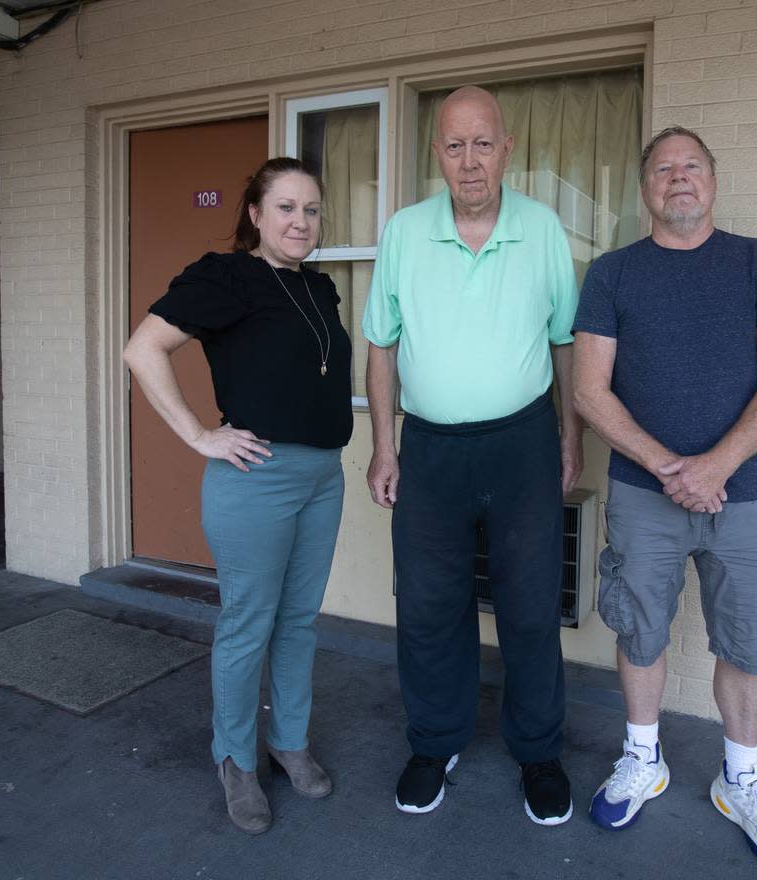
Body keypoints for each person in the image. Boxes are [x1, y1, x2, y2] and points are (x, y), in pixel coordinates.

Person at [572, 126, 757, 870]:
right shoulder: (612, 274)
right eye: (664, 168)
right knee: (639, 628)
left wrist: (715, 467)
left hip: (745, 497)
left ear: (712, 182)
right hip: (645, 494)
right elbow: (588, 390)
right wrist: (671, 466)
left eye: (692, 167)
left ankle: (741, 779)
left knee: (748, 636)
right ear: (645, 189)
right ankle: (644, 759)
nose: (679, 178)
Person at [361, 86, 582, 825]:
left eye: (482, 143)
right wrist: (383, 447)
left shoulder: (543, 229)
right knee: (428, 606)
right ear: (437, 156)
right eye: (454, 146)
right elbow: (382, 346)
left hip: (522, 444)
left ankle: (539, 752)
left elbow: (564, 343)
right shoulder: (403, 232)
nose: (469, 161)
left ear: (508, 149)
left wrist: (569, 440)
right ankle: (435, 741)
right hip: (429, 449)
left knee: (528, 607)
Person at [123, 157, 353, 835]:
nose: (300, 221)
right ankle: (235, 758)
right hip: (257, 476)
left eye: (311, 210)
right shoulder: (228, 277)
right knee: (249, 622)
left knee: (298, 620)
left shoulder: (320, 289)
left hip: (323, 476)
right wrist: (199, 434)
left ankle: (288, 741)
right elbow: (143, 350)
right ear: (255, 215)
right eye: (285, 207)